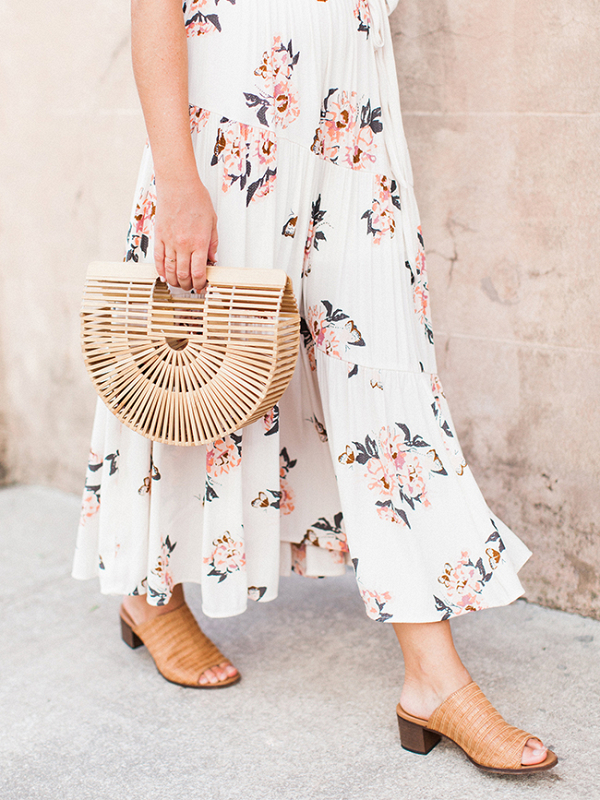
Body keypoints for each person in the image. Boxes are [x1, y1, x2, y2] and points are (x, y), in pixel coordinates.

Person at [73, 0, 557, 774]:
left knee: (388, 377)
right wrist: (176, 177)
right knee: (194, 357)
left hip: (352, 122)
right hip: (233, 120)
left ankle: (434, 677)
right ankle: (148, 585)